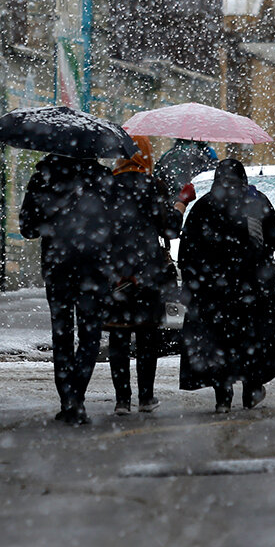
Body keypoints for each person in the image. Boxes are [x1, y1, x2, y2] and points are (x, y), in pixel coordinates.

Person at [178, 157, 275, 412]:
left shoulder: (204, 206)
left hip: (212, 294)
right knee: (253, 341)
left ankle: (222, 398)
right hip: (251, 290)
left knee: (219, 345)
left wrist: (197, 283)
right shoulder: (256, 201)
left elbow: (187, 253)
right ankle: (252, 388)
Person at [19, 153, 115, 425]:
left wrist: (52, 219)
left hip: (57, 267)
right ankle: (77, 397)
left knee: (61, 334)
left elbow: (28, 228)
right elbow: (115, 225)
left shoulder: (44, 177)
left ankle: (67, 400)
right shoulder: (103, 179)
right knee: (90, 335)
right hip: (94, 268)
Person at [105, 137, 182, 416]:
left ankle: (121, 400)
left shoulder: (107, 187)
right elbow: (171, 229)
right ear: (145, 156)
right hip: (148, 273)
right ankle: (146, 397)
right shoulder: (153, 187)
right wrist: (181, 203)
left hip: (116, 274)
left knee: (118, 335)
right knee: (147, 335)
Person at [155, 138, 217, 202]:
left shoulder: (168, 156)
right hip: (198, 204)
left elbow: (158, 182)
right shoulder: (208, 155)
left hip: (173, 204)